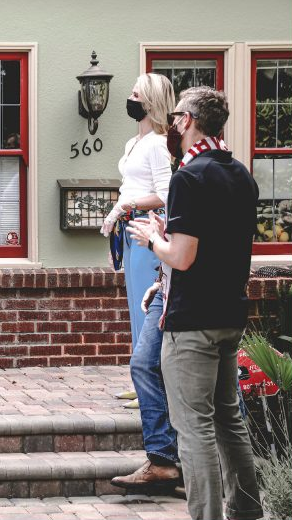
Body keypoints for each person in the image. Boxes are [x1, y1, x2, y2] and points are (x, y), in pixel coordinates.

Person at [127, 86, 263, 520]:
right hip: (230, 314)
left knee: (194, 428)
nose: (172, 123)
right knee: (228, 419)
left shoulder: (189, 177)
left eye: (177, 116)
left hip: (191, 323)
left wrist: (152, 239)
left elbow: (183, 256)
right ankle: (246, 509)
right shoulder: (240, 173)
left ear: (187, 121)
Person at [103, 73, 181, 490]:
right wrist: (116, 211)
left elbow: (165, 194)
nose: (130, 98)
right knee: (135, 301)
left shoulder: (156, 145)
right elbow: (129, 185)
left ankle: (147, 374)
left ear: (150, 101)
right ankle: (141, 375)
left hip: (145, 230)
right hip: (129, 229)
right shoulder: (134, 142)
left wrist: (128, 205)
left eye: (136, 94)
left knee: (146, 306)